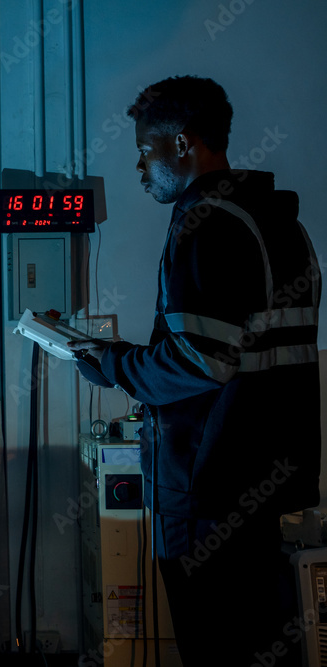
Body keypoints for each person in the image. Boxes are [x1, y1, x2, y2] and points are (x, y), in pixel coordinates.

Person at [70, 76, 321, 665]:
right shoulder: (283, 224)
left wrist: (116, 366)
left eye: (143, 150)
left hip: (206, 487)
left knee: (214, 646)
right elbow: (236, 347)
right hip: (265, 482)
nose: (138, 168)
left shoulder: (202, 222)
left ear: (182, 144)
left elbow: (201, 359)